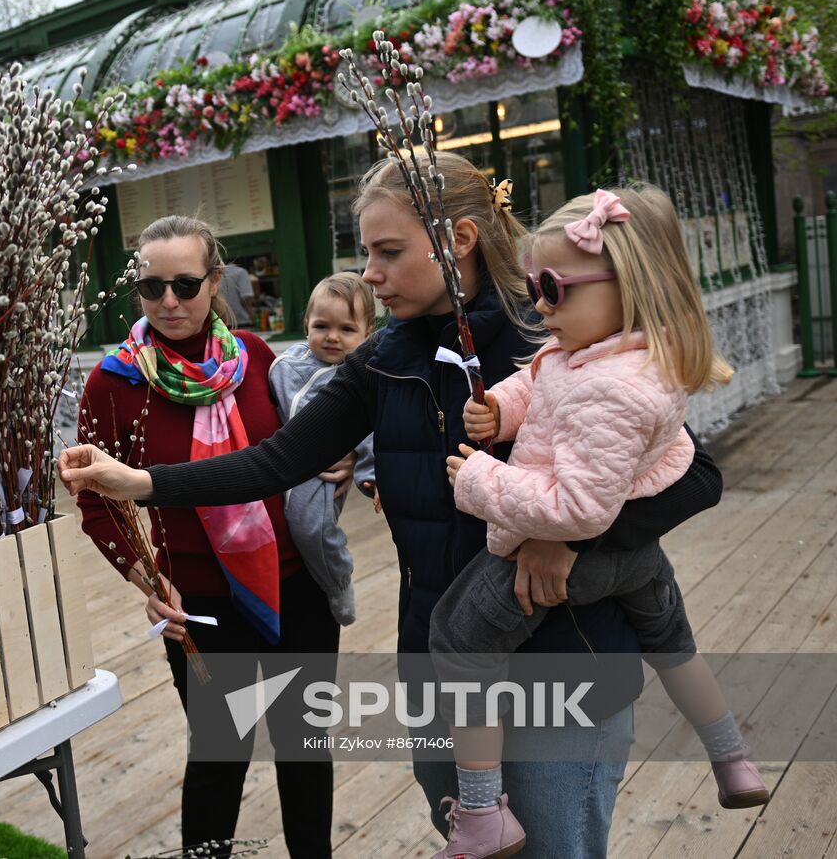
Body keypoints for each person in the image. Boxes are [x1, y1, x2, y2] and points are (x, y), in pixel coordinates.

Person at [59, 154, 724, 859]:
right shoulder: (381, 358)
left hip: (561, 656)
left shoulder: (555, 335)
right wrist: (141, 483)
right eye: (365, 253)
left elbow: (693, 472)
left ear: (458, 239)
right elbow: (278, 460)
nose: (368, 275)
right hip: (439, 655)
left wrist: (569, 539)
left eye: (388, 252)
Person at [432, 186, 767, 857]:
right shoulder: (613, 353)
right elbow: (545, 382)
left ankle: (481, 811)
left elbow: (579, 510)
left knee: (459, 638)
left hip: (579, 553)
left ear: (628, 286)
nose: (539, 304)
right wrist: (501, 407)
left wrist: (481, 480)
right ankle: (732, 757)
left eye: (554, 287)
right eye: (533, 286)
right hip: (636, 551)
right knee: (673, 641)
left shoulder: (612, 388)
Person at [74, 214, 350, 858]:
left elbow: (300, 442)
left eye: (186, 284)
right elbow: (97, 504)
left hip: (296, 586)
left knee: (306, 747)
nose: (169, 300)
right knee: (223, 753)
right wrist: (150, 581)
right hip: (197, 600)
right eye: (152, 287)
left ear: (215, 280)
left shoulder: (254, 357)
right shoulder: (114, 382)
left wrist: (339, 461)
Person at [269, 272, 378, 625]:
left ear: (367, 335)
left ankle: (338, 580)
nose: (332, 337)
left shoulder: (359, 377)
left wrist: (369, 474)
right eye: (321, 326)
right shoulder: (286, 365)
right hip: (280, 465)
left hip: (320, 471)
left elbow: (370, 431)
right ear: (306, 325)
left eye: (346, 330)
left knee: (312, 527)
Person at [219, 259, 257, 328]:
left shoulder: (217, 274)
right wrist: (254, 319)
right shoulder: (241, 272)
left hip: (223, 324)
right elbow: (246, 299)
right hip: (242, 322)